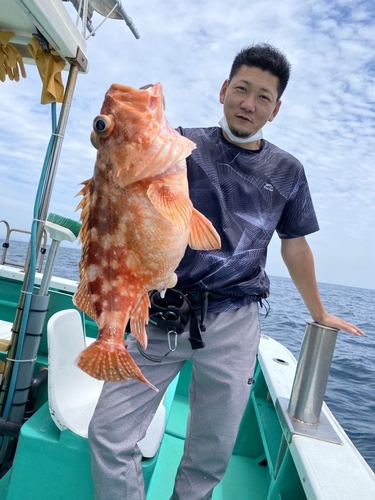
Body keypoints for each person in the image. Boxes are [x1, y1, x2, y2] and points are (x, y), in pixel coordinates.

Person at [88, 43, 364, 500]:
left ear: (275, 110)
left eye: (263, 97)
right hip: (159, 312)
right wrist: (105, 134)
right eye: (241, 89)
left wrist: (319, 311)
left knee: (210, 453)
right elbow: (124, 164)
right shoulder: (178, 147)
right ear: (223, 90)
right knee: (109, 433)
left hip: (235, 322)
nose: (248, 104)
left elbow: (294, 244)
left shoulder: (289, 171)